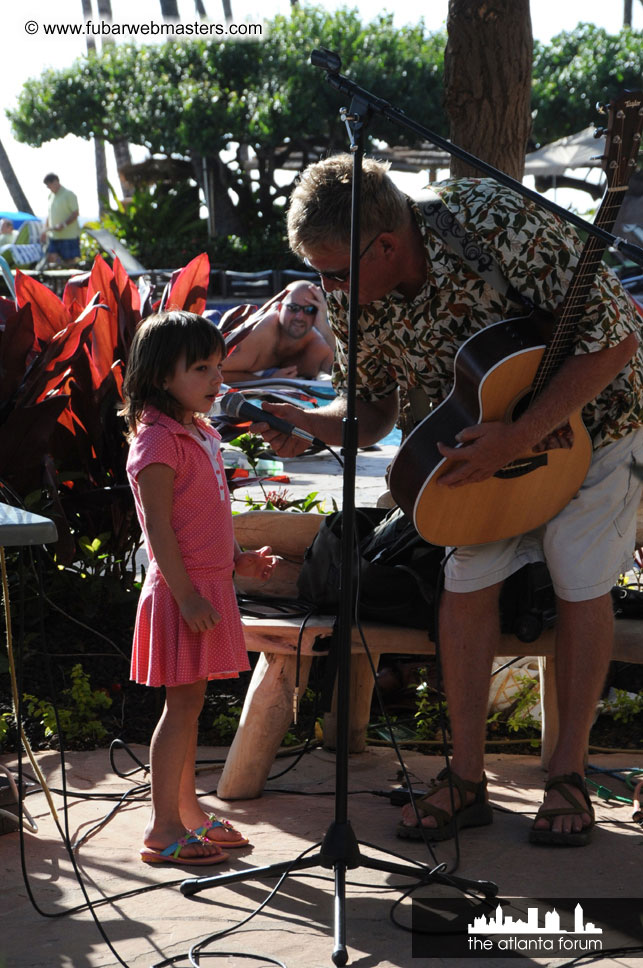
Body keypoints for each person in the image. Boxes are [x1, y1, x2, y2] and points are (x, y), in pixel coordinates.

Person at [252, 154, 643, 847]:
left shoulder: (497, 224)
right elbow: (368, 414)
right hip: (475, 438)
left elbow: (613, 344)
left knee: (580, 576)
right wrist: (306, 427)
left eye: (336, 272)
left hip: (596, 419)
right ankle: (465, 780)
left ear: (389, 245)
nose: (325, 288)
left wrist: (517, 434)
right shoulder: (348, 290)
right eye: (317, 271)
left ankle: (568, 777)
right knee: (465, 580)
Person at [121, 310, 277, 865]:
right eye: (202, 368)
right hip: (181, 592)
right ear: (163, 377)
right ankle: (164, 827)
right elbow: (159, 527)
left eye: (219, 365)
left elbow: (204, 516)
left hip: (207, 586)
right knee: (180, 707)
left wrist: (238, 561)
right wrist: (186, 594)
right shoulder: (158, 442)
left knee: (191, 704)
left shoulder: (200, 432)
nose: (217, 379)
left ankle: (189, 815)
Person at [221, 279, 334, 382]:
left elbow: (348, 373)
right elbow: (211, 374)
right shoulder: (256, 335)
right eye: (293, 308)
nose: (299, 317)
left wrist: (324, 326)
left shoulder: (315, 346)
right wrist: (267, 380)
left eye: (309, 310)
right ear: (279, 308)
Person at [41, 173, 81, 265]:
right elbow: (49, 214)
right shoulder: (50, 196)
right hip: (53, 236)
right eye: (47, 186)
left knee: (70, 262)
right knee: (51, 258)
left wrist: (64, 224)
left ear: (56, 182)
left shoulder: (69, 194)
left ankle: (70, 278)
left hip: (69, 236)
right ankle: (59, 278)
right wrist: (45, 230)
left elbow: (75, 213)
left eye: (50, 185)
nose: (49, 188)